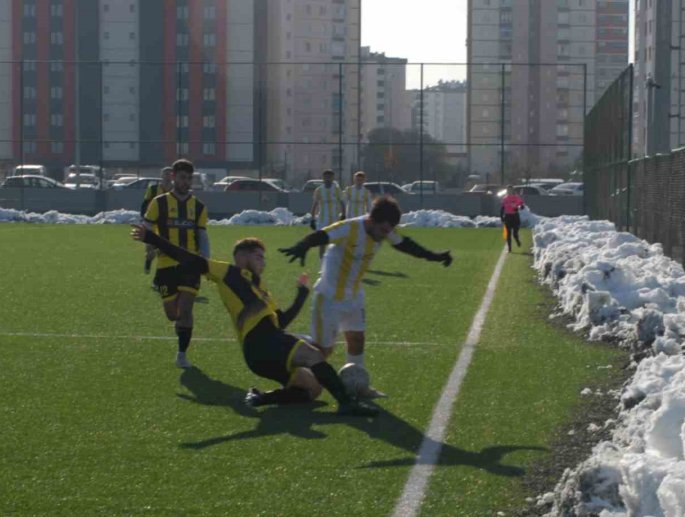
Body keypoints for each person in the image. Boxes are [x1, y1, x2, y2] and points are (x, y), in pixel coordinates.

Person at [130, 224, 378, 417]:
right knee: (314, 356)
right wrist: (152, 238)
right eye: (259, 256)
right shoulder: (229, 272)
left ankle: (262, 397)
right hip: (263, 341)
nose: (263, 261)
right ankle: (347, 404)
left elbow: (280, 322)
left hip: (260, 354)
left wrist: (301, 297)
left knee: (312, 390)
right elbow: (190, 258)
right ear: (242, 256)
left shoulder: (262, 289)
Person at [279, 196, 452, 381]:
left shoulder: (383, 229)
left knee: (357, 339)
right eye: (384, 230)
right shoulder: (350, 228)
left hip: (354, 296)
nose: (386, 235)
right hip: (329, 297)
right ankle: (284, 342)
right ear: (371, 220)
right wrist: (302, 246)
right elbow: (322, 234)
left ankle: (357, 383)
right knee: (323, 351)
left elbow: (405, 244)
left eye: (389, 231)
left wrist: (433, 256)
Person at [142, 159, 210, 368]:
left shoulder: (198, 207)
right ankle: (181, 329)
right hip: (165, 265)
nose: (186, 182)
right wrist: (150, 249)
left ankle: (181, 354)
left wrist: (205, 262)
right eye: (182, 177)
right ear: (173, 177)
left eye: (189, 178)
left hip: (190, 265)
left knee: (186, 309)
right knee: (173, 314)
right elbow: (147, 228)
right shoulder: (159, 203)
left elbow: (203, 236)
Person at [141, 167, 174, 275]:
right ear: (161, 175)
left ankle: (163, 274)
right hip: (153, 222)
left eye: (169, 174)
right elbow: (145, 203)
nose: (167, 176)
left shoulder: (176, 189)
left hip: (169, 224)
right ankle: (148, 262)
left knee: (166, 250)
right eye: (165, 174)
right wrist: (143, 218)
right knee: (150, 249)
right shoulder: (153, 189)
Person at [310, 169, 346, 259]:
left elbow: (342, 203)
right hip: (322, 220)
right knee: (322, 242)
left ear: (333, 178)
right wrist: (312, 219)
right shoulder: (319, 190)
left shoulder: (337, 189)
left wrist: (343, 215)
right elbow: (314, 205)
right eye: (326, 177)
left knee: (336, 242)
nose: (327, 179)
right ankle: (322, 265)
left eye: (329, 177)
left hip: (334, 219)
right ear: (323, 178)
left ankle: (335, 262)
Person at [500, 186, 525, 252]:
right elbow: (502, 208)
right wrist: (501, 216)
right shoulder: (505, 198)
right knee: (508, 233)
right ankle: (509, 248)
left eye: (511, 190)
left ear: (512, 190)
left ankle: (517, 240)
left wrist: (518, 208)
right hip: (508, 217)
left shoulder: (516, 198)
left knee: (514, 234)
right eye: (508, 190)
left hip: (515, 217)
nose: (509, 191)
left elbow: (522, 206)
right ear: (507, 191)